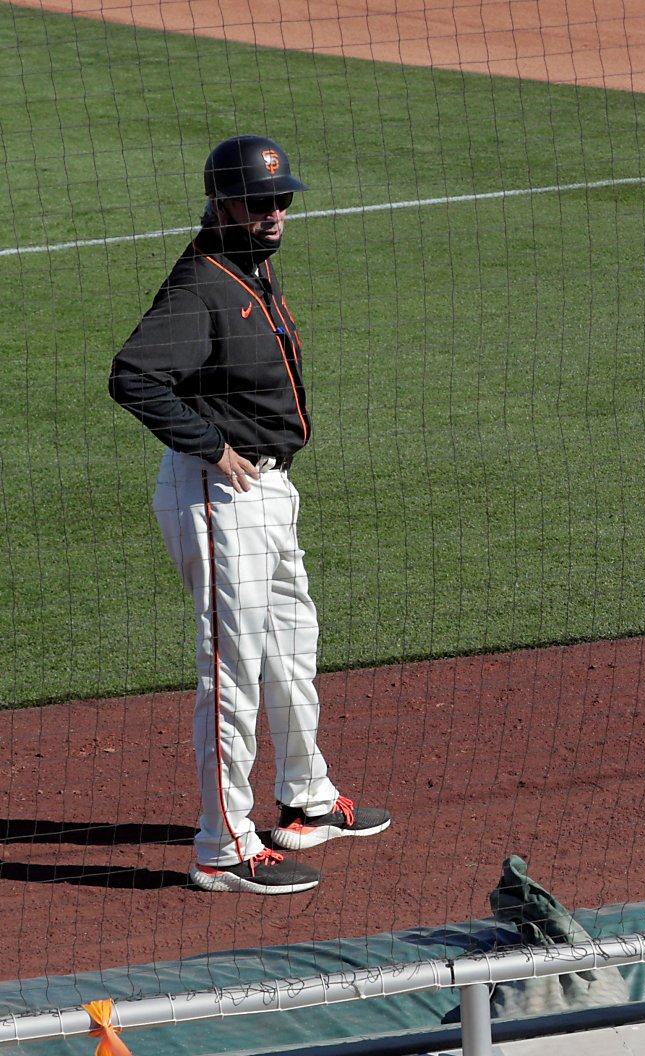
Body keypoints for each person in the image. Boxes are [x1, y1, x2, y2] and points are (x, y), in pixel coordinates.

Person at [109, 135, 391, 895]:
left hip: (269, 491)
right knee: (230, 670)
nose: (274, 214)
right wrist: (211, 445)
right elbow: (134, 376)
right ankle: (222, 846)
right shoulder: (199, 283)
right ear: (223, 203)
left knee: (293, 642)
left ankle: (306, 802)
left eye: (282, 201)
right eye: (259, 201)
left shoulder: (249, 266)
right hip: (220, 493)